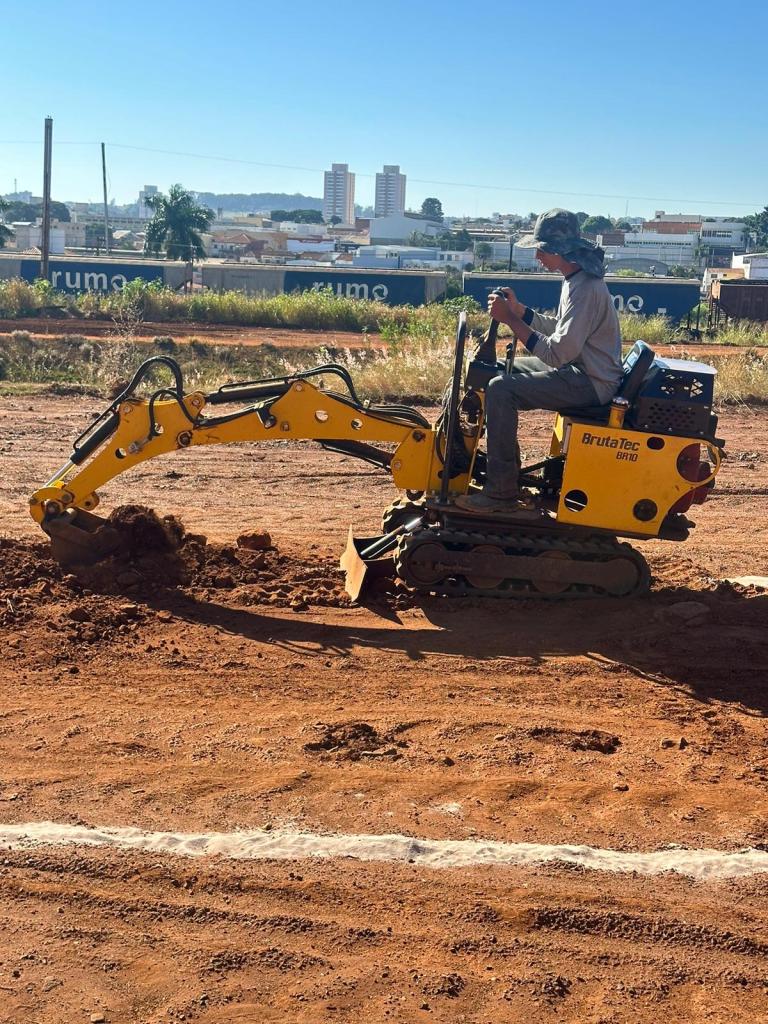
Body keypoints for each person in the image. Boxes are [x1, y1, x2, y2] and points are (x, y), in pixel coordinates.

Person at [455, 208, 623, 515]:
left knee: (502, 389)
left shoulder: (585, 288)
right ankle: (499, 471)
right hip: (581, 371)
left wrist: (510, 321)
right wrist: (522, 313)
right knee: (496, 373)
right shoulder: (576, 280)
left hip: (591, 382)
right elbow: (562, 328)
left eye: (541, 249)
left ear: (560, 249)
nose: (537, 256)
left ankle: (501, 492)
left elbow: (557, 353)